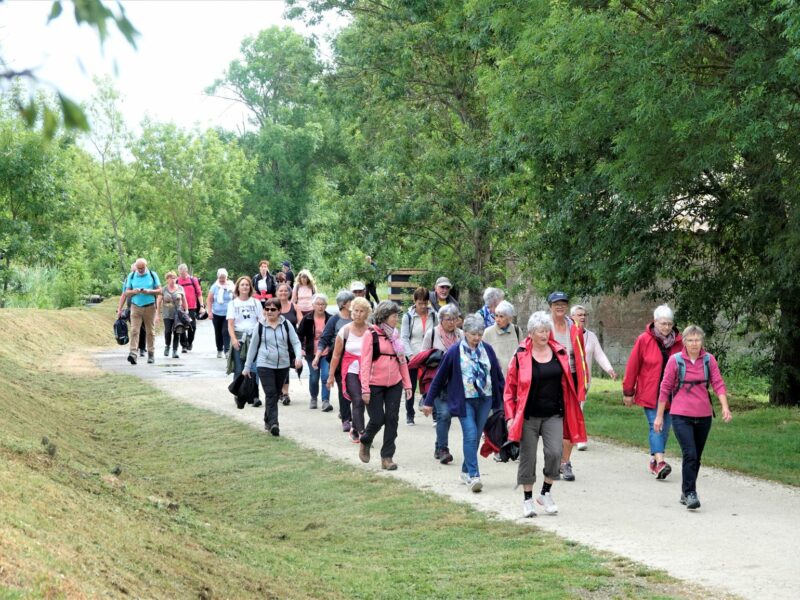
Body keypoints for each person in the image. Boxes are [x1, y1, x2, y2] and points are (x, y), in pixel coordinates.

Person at [504, 311, 586, 517]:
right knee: (528, 458)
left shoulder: (559, 352)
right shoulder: (521, 354)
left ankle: (545, 493)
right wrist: (510, 416)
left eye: (547, 330)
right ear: (531, 333)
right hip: (528, 415)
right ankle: (528, 500)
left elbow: (568, 383)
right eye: (540, 330)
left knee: (555, 453)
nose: (545, 334)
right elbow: (510, 388)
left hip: (553, 413)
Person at [422, 315, 505, 492]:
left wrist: (506, 398)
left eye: (480, 334)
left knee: (475, 436)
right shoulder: (454, 351)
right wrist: (428, 402)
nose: (477, 337)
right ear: (465, 333)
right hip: (464, 400)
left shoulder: (487, 350)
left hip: (485, 398)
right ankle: (474, 475)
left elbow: (497, 375)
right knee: (470, 434)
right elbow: (439, 378)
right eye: (473, 334)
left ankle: (466, 470)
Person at [655, 325, 732, 510]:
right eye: (690, 340)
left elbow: (718, 383)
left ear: (702, 341)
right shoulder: (675, 361)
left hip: (704, 415)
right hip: (681, 415)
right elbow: (665, 388)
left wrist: (725, 408)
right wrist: (659, 416)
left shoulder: (708, 360)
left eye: (697, 340)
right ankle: (691, 493)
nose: (694, 343)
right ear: (685, 342)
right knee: (690, 453)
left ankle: (685, 491)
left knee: (696, 457)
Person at [622, 304, 684, 479]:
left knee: (665, 428)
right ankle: (661, 462)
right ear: (655, 322)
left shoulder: (679, 342)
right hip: (651, 392)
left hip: (673, 394)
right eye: (663, 323)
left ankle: (654, 459)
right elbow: (633, 366)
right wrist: (628, 391)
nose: (666, 327)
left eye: (669, 324)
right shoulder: (644, 339)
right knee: (656, 425)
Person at [358, 301, 412, 470]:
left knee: (392, 419)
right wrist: (365, 388)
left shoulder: (396, 336)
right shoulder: (371, 334)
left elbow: (402, 361)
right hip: (374, 384)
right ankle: (366, 440)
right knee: (377, 419)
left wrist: (408, 385)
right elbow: (365, 363)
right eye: (394, 316)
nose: (397, 319)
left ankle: (387, 457)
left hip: (394, 384)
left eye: (397, 315)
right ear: (384, 317)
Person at [243, 298, 302, 437]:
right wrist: (247, 367)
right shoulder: (260, 326)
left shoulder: (286, 324)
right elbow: (252, 348)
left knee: (275, 394)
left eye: (273, 309)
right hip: (264, 364)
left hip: (283, 364)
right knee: (270, 393)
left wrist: (298, 357)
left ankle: (267, 418)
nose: (269, 312)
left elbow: (296, 342)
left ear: (279, 311)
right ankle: (274, 423)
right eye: (267, 309)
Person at [547, 291, 589, 482]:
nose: (560, 306)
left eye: (563, 303)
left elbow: (580, 357)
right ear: (550, 306)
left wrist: (584, 380)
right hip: (550, 379)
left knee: (570, 421)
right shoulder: (543, 326)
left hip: (571, 378)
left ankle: (565, 462)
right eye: (556, 303)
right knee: (549, 422)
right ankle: (553, 460)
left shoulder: (575, 327)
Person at [570, 304, 618, 451]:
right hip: (568, 376)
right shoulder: (566, 334)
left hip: (584, 379)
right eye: (579, 315)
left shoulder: (591, 336)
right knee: (567, 408)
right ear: (572, 317)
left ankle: (578, 438)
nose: (583, 317)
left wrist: (609, 368)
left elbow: (599, 354)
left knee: (579, 407)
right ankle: (567, 434)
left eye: (584, 315)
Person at [421, 303, 463, 464]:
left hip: (455, 382)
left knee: (447, 415)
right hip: (437, 381)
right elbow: (423, 357)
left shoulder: (461, 335)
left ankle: (439, 446)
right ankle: (444, 449)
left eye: (454, 319)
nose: (452, 322)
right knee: (444, 414)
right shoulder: (432, 334)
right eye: (448, 319)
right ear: (441, 320)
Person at [327, 297, 372, 442]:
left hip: (368, 371)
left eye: (361, 311)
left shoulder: (371, 330)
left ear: (367, 313)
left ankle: (355, 427)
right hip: (350, 370)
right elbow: (336, 355)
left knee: (365, 401)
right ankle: (361, 432)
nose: (358, 314)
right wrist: (331, 375)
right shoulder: (344, 331)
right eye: (356, 311)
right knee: (357, 399)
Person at [400, 287, 438, 426]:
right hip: (413, 355)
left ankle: (435, 414)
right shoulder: (408, 317)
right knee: (410, 385)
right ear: (415, 301)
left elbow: (437, 333)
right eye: (420, 303)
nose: (423, 306)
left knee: (432, 384)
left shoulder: (434, 315)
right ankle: (410, 414)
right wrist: (410, 355)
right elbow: (404, 337)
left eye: (425, 303)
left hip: (429, 355)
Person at [313, 290, 355, 413]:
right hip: (339, 359)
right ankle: (345, 414)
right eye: (350, 301)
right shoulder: (334, 320)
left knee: (353, 387)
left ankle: (348, 412)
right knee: (343, 386)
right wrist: (317, 357)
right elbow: (324, 339)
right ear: (343, 304)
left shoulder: (356, 318)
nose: (353, 303)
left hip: (355, 359)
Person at [117, 258, 161, 365]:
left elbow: (160, 291)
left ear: (146, 266)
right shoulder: (131, 276)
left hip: (150, 307)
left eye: (142, 268)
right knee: (134, 330)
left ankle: (151, 353)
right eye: (138, 268)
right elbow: (126, 293)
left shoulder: (152, 275)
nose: (140, 270)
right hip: (135, 306)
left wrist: (149, 291)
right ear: (136, 267)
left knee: (150, 331)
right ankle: (133, 353)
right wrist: (134, 292)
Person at [227, 276, 262, 408]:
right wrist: (234, 339)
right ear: (238, 287)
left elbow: (260, 321)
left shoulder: (256, 303)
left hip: (253, 337)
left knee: (254, 367)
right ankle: (239, 395)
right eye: (242, 285)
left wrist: (259, 338)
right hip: (239, 337)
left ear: (250, 287)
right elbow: (230, 324)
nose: (245, 287)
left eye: (247, 285)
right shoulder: (233, 304)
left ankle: (254, 396)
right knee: (239, 368)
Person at [297, 293, 331, 410]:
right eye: (318, 304)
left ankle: (326, 400)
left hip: (326, 352)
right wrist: (301, 349)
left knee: (326, 375)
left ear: (326, 305)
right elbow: (299, 335)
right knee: (314, 377)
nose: (320, 307)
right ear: (313, 305)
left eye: (322, 304)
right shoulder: (307, 319)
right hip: (311, 352)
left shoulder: (330, 318)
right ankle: (313, 398)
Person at [482, 300, 522, 379]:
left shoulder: (517, 330)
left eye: (501, 316)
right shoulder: (488, 332)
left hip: (515, 377)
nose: (497, 319)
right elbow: (483, 356)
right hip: (497, 378)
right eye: (496, 316)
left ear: (509, 318)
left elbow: (522, 352)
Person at [276, 282, 301, 405]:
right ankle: (280, 391)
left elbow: (301, 324)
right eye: (281, 291)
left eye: (285, 291)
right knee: (278, 368)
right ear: (277, 293)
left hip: (290, 342)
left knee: (286, 368)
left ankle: (285, 393)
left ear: (289, 293)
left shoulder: (294, 307)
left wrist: (302, 342)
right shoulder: (272, 306)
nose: (283, 293)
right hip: (276, 342)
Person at [156, 271, 188, 359]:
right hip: (167, 314)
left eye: (174, 278)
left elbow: (184, 300)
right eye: (170, 278)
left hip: (178, 314)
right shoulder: (163, 289)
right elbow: (158, 302)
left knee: (177, 332)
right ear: (167, 280)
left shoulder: (180, 288)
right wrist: (157, 315)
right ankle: (167, 346)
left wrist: (186, 310)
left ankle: (175, 351)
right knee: (168, 331)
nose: (172, 280)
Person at [206, 268, 234, 359]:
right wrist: (209, 312)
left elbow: (236, 297)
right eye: (221, 277)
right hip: (216, 313)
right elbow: (209, 300)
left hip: (228, 313)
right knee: (218, 332)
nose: (222, 279)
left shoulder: (231, 285)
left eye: (224, 277)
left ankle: (227, 350)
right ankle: (219, 350)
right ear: (218, 277)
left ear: (227, 277)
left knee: (226, 331)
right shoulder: (215, 286)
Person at [176, 263, 204, 352]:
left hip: (192, 307)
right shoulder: (177, 281)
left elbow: (199, 294)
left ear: (186, 271)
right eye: (180, 274)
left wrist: (202, 306)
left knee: (193, 326)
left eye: (183, 273)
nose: (182, 275)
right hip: (180, 307)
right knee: (181, 326)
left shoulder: (193, 280)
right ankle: (184, 345)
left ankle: (189, 342)